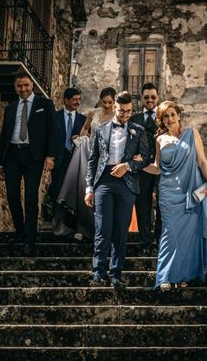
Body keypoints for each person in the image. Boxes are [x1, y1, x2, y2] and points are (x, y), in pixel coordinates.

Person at [143, 101, 207, 292]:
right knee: (170, 235)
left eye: (172, 115)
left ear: (178, 115)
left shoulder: (192, 133)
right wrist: (138, 164)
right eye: (165, 116)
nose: (169, 119)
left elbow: (201, 160)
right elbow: (157, 168)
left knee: (188, 237)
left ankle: (182, 276)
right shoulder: (160, 139)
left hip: (190, 192)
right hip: (168, 194)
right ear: (161, 120)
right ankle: (166, 276)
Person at [84, 91, 151, 287]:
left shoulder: (138, 131)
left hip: (126, 182)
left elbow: (146, 158)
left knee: (120, 231)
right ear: (114, 107)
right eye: (122, 111)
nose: (125, 115)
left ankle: (115, 275)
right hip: (103, 180)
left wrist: (128, 166)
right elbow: (93, 160)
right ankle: (98, 274)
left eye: (129, 111)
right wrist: (89, 187)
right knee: (102, 229)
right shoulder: (100, 129)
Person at [0, 73, 57, 255]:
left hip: (33, 157)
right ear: (15, 88)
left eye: (26, 85)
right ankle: (20, 233)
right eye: (19, 86)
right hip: (13, 155)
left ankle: (30, 239)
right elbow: (4, 137)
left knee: (31, 198)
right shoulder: (11, 108)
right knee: (12, 195)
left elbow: (53, 132)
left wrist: (50, 156)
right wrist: (0, 164)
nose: (23, 89)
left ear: (32, 86)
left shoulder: (44, 105)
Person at [57, 87, 116, 241]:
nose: (107, 105)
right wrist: (83, 137)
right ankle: (85, 228)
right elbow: (84, 131)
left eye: (110, 102)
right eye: (104, 102)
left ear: (115, 102)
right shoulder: (93, 114)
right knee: (87, 191)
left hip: (111, 160)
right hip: (92, 156)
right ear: (100, 101)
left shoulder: (118, 115)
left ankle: (105, 232)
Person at [49, 88, 86, 235]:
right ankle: (58, 226)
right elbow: (49, 137)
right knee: (58, 193)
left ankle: (73, 226)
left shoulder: (83, 119)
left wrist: (80, 139)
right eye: (75, 99)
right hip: (58, 162)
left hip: (75, 162)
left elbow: (87, 139)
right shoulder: (55, 117)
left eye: (79, 99)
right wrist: (49, 157)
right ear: (66, 100)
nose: (78, 102)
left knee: (74, 195)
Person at [129, 82, 160, 256]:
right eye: (146, 97)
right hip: (142, 171)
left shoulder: (162, 117)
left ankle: (161, 241)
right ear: (142, 98)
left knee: (161, 208)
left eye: (153, 97)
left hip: (161, 169)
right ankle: (146, 242)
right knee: (143, 207)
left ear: (157, 98)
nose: (150, 100)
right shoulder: (134, 119)